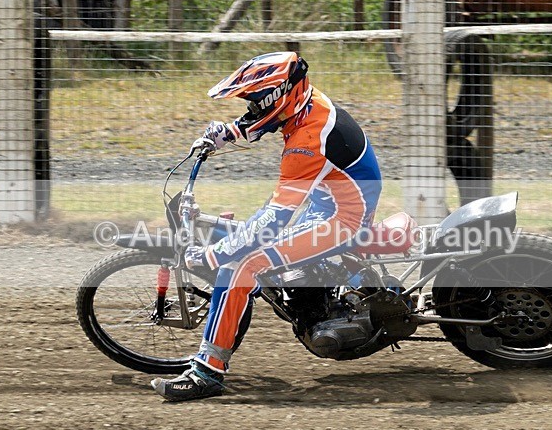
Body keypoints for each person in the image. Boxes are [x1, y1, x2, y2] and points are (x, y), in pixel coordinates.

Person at [151, 52, 382, 402]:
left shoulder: (307, 143)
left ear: (277, 95)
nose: (251, 109)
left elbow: (273, 220)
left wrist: (214, 256)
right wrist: (229, 131)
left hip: (342, 218)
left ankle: (206, 372)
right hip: (329, 200)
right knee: (251, 242)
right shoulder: (305, 101)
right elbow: (268, 117)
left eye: (254, 102)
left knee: (243, 264)